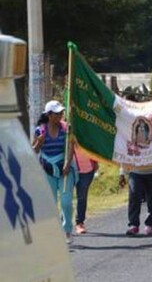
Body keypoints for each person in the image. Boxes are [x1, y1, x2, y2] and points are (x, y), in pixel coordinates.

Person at [32, 100, 76, 243]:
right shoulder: (40, 130)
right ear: (49, 115)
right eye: (57, 114)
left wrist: (67, 164)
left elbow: (70, 147)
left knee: (66, 202)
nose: (60, 116)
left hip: (64, 169)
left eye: (61, 113)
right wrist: (39, 141)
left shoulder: (66, 129)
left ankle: (67, 230)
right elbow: (34, 151)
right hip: (47, 170)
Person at [74, 148, 97, 235]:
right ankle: (64, 224)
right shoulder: (66, 134)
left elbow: (93, 145)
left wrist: (96, 161)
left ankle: (79, 223)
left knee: (82, 197)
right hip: (69, 169)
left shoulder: (87, 134)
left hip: (87, 170)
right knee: (66, 197)